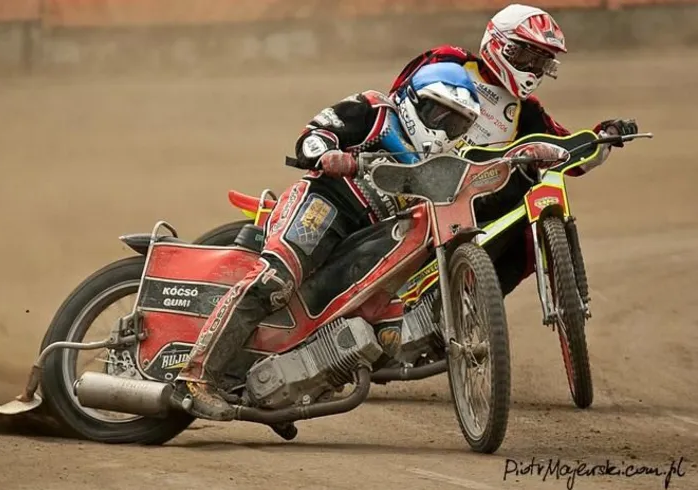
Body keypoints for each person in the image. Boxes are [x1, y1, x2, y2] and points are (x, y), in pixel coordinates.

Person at [171, 62, 483, 421]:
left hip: (368, 237)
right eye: (439, 113)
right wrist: (327, 153)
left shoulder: (441, 163)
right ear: (413, 99)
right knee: (274, 281)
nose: (445, 129)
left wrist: (528, 160)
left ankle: (273, 390)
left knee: (367, 324)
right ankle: (195, 377)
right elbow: (314, 134)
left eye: (457, 123)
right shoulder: (375, 110)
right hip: (323, 205)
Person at [389, 3, 639, 295]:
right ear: (498, 43)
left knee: (526, 226)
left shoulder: (528, 112)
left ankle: (475, 304)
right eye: (525, 56)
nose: (532, 70)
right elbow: (396, 99)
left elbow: (565, 152)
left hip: (474, 199)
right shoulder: (449, 60)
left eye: (541, 63)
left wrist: (604, 135)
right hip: (414, 177)